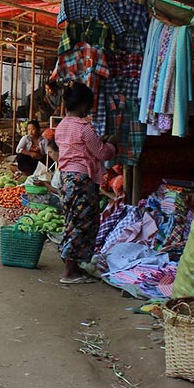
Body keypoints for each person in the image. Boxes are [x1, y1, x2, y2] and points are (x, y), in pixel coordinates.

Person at [55, 83, 119, 284]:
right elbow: (102, 153)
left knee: (72, 221)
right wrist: (112, 144)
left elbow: (80, 147)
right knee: (82, 223)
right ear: (83, 106)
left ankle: (71, 263)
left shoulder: (62, 125)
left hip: (66, 178)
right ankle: (70, 272)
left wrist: (100, 141)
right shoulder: (85, 127)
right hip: (82, 180)